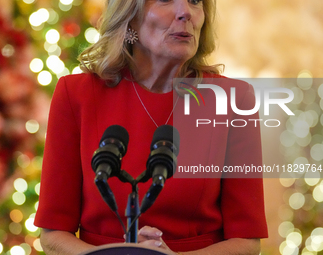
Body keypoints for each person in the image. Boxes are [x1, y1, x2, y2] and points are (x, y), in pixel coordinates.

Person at [34, 0, 268, 254]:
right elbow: (53, 235)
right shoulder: (75, 94)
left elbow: (246, 242)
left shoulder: (234, 99)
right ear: (130, 15)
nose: (186, 12)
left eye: (195, 1)